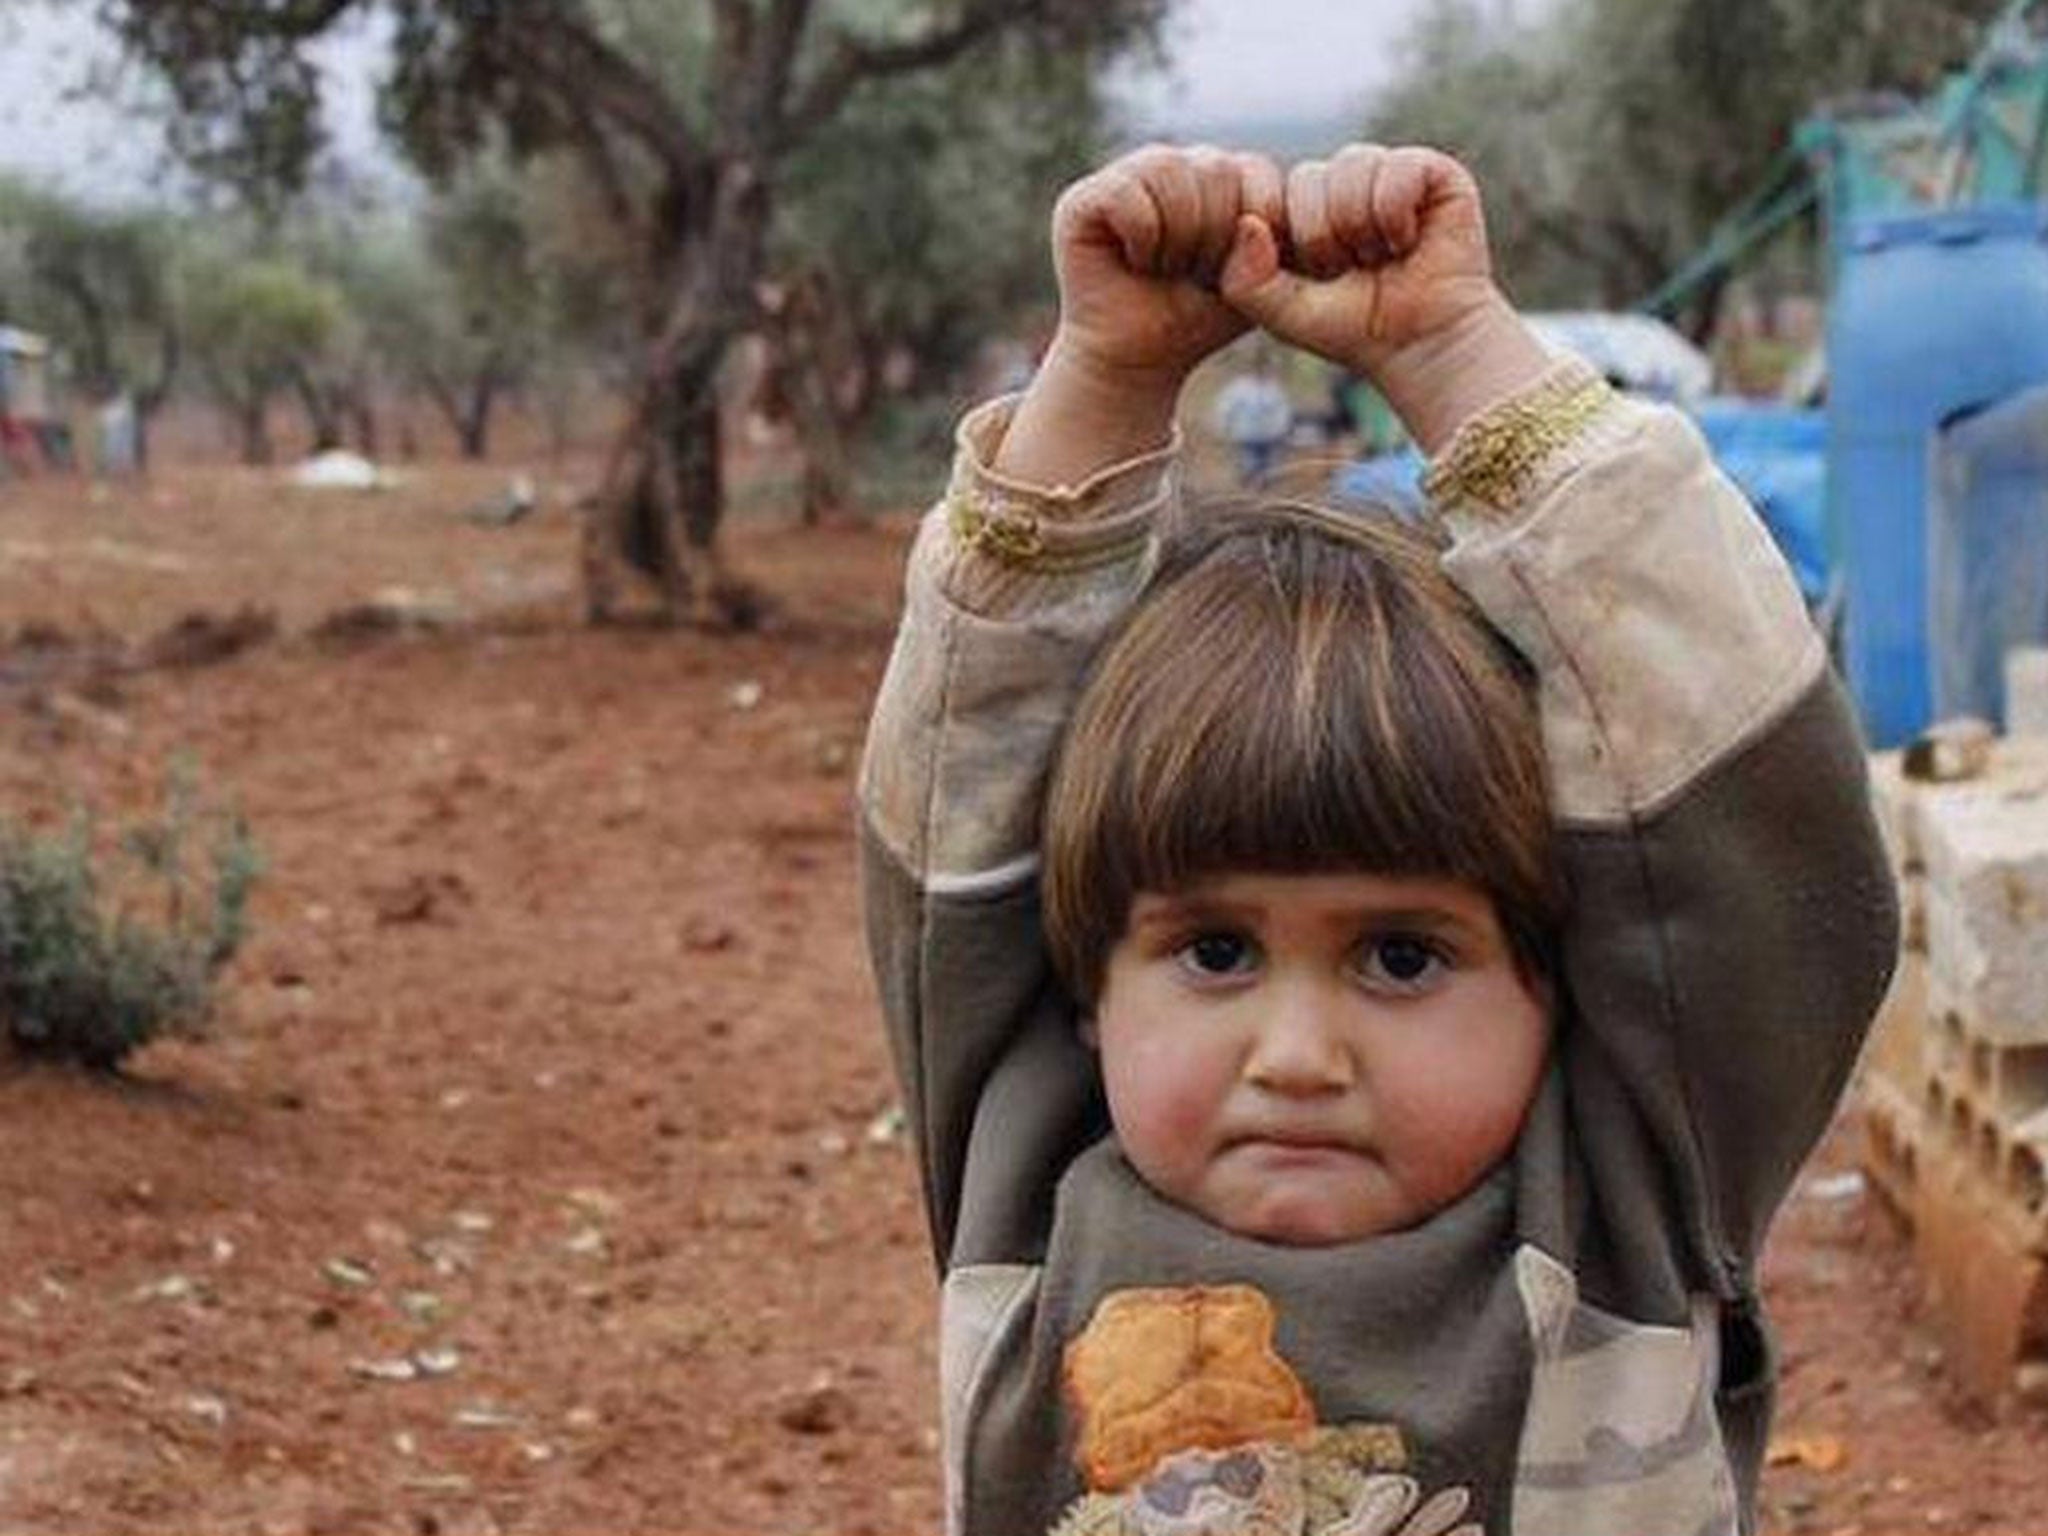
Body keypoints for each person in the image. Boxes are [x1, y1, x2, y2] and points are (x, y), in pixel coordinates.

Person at [858, 142, 1897, 1536]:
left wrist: (1456, 352)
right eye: (1215, 950)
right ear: (1089, 988)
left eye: (1403, 958)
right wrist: (1101, 384)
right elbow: (962, 791)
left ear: (1561, 981)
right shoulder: (1029, 1182)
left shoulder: (1623, 1204)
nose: (1297, 1059)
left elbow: (1744, 803)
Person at [1209, 343, 1294, 484]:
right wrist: (1223, 426)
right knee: (1249, 462)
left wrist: (1282, 428)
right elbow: (1226, 407)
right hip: (1246, 433)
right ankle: (1250, 483)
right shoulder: (1240, 387)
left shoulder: (1273, 388)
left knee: (1268, 465)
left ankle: (1262, 485)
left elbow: (1282, 410)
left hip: (1269, 434)